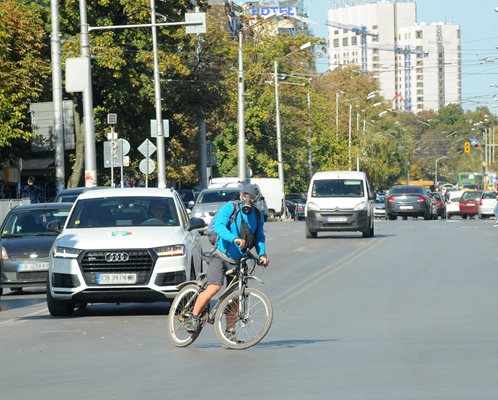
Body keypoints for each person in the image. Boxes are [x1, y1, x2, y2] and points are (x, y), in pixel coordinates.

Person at [185, 183, 270, 334]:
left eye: (252, 197)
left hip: (239, 261)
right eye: (245, 196)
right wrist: (234, 238)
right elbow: (219, 227)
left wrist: (262, 254)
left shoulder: (257, 215)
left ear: (256, 199)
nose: (248, 200)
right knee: (214, 287)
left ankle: (230, 333)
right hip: (220, 256)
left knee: (236, 296)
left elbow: (259, 237)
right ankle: (193, 316)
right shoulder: (231, 208)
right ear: (241, 196)